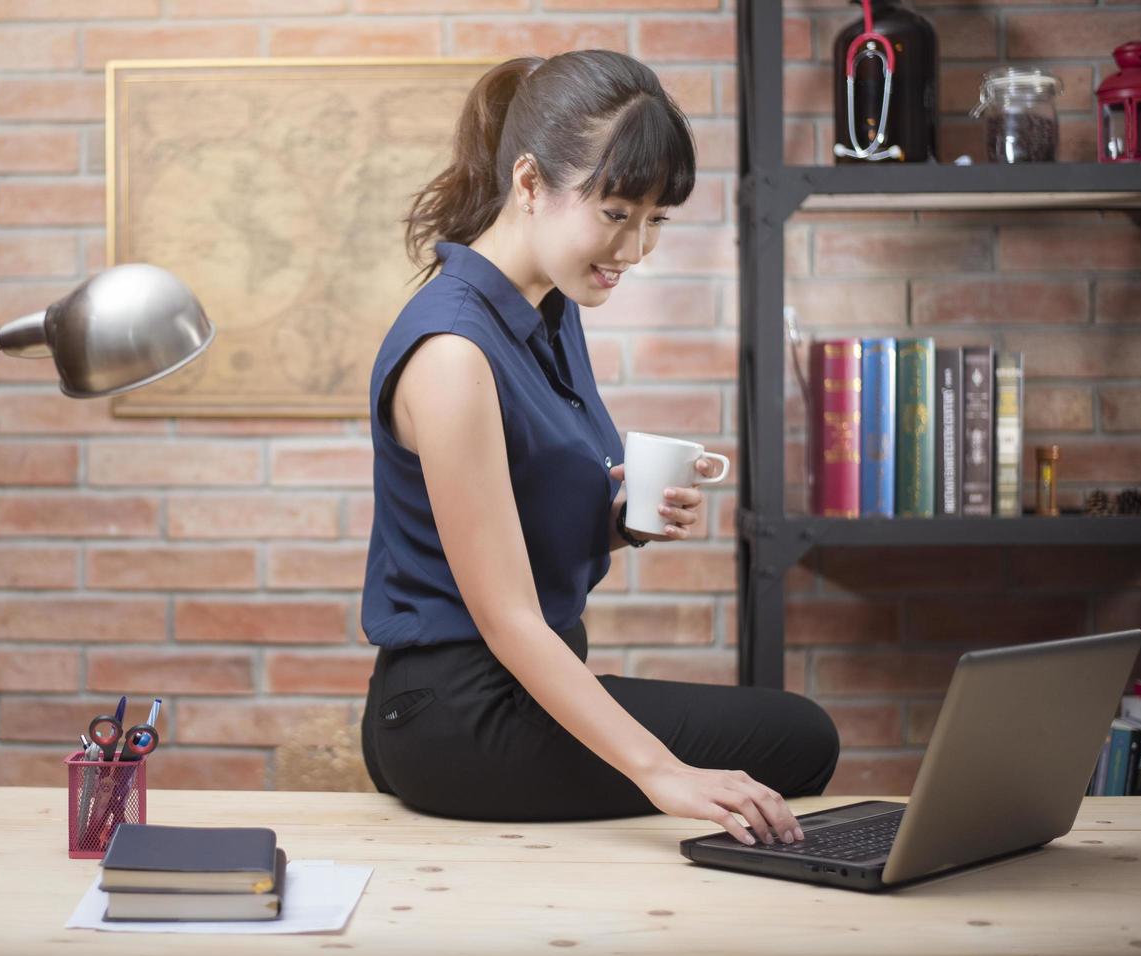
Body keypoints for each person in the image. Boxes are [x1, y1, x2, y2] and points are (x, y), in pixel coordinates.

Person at [359, 50, 839, 847]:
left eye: (655, 219)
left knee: (793, 736)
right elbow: (507, 616)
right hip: (459, 713)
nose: (636, 248)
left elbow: (515, 521)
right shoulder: (453, 353)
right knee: (795, 737)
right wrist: (661, 773)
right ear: (528, 184)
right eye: (617, 213)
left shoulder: (547, 308)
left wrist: (622, 521)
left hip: (523, 688)